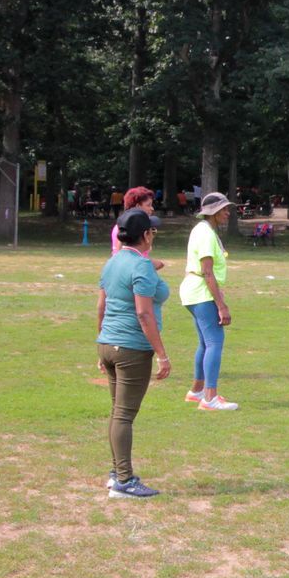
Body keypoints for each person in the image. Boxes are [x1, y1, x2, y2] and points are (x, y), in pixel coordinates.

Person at [95, 210, 173, 498]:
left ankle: (117, 473)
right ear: (146, 235)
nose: (154, 234)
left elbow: (101, 308)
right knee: (124, 416)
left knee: (118, 414)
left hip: (108, 345)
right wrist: (162, 354)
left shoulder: (112, 262)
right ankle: (124, 481)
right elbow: (143, 312)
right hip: (131, 349)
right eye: (152, 231)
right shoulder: (139, 267)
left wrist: (100, 344)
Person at [181, 192, 237, 410]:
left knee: (205, 343)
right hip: (200, 291)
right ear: (213, 212)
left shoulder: (206, 231)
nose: (227, 213)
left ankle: (197, 391)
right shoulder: (205, 233)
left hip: (196, 291)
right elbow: (207, 271)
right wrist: (221, 305)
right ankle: (210, 398)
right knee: (215, 342)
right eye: (224, 209)